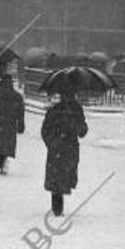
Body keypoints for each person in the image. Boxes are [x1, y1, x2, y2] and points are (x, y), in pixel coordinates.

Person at [42, 87, 88, 216]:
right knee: (63, 176)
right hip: (69, 148)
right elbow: (83, 131)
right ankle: (58, 207)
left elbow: (45, 130)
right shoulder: (76, 110)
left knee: (56, 177)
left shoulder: (54, 110)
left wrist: (51, 143)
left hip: (57, 148)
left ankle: (57, 206)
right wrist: (78, 127)